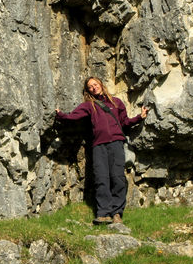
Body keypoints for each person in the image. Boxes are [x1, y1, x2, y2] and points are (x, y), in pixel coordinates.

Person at [56, 76, 148, 225]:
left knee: (117, 178)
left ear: (101, 84)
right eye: (90, 87)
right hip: (99, 146)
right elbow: (73, 117)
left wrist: (139, 117)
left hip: (116, 144)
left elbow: (125, 122)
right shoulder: (88, 105)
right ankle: (103, 213)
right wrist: (60, 115)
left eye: (95, 84)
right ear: (88, 91)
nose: (94, 87)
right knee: (101, 179)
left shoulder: (116, 102)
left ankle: (117, 213)